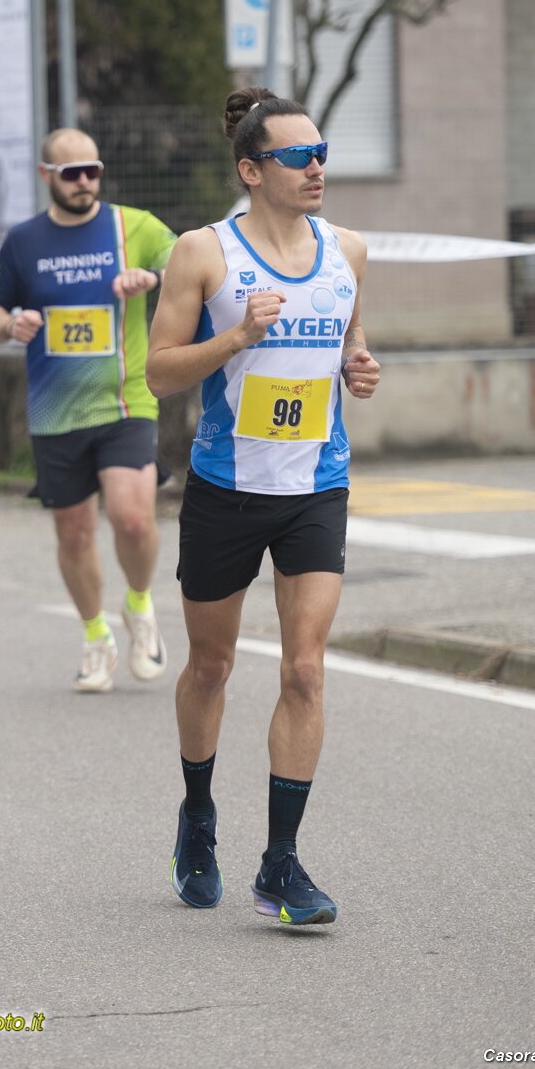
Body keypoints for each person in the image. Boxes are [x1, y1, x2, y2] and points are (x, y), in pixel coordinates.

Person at [145, 87, 381, 926]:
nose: (316, 168)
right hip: (226, 488)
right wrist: (237, 338)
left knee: (305, 669)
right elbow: (160, 372)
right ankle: (197, 813)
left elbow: (350, 337)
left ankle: (281, 864)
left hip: (317, 485)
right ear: (252, 170)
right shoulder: (202, 254)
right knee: (211, 667)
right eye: (297, 156)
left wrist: (358, 365)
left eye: (322, 154)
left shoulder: (348, 250)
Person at [0, 128, 178, 693]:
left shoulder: (133, 226)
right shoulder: (24, 241)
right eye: (72, 173)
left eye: (94, 170)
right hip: (55, 409)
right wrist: (9, 324)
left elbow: (197, 266)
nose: (86, 181)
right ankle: (96, 637)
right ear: (47, 176)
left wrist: (153, 278)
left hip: (125, 399)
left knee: (133, 517)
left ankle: (139, 604)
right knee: (73, 535)